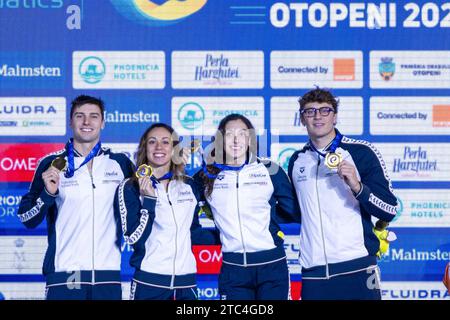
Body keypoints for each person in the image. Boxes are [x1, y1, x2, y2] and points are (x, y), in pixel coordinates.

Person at [17, 95, 134, 300]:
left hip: (108, 275)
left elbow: (141, 208)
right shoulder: (51, 164)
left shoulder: (121, 164)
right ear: (71, 122)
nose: (86, 122)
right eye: (80, 116)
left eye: (93, 116)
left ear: (103, 122)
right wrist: (48, 194)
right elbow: (27, 218)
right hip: (67, 273)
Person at [288, 88, 398, 300]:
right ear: (302, 119)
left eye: (325, 110)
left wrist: (358, 187)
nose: (317, 116)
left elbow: (390, 208)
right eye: (309, 111)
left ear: (335, 116)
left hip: (357, 268)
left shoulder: (360, 152)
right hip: (314, 272)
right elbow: (295, 212)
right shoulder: (297, 160)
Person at [194, 114, 301, 300]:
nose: (236, 140)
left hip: (272, 267)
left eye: (242, 134)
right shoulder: (206, 175)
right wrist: (216, 235)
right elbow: (180, 206)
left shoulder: (269, 170)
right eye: (229, 134)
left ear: (250, 138)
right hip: (233, 270)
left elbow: (294, 212)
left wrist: (270, 221)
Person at [114, 123, 219, 300]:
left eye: (165, 142)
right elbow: (134, 238)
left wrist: (228, 236)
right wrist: (149, 201)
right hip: (150, 283)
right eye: (152, 142)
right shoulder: (131, 186)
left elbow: (191, 232)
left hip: (187, 283)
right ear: (144, 148)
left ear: (174, 149)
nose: (159, 147)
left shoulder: (188, 185)